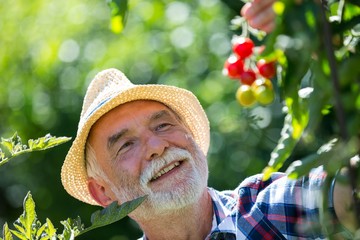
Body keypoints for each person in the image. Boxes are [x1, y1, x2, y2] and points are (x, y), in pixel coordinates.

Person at [61, 4, 357, 240]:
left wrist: (324, 42)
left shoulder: (265, 212)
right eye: (126, 145)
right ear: (103, 193)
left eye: (163, 125)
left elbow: (350, 191)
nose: (157, 146)